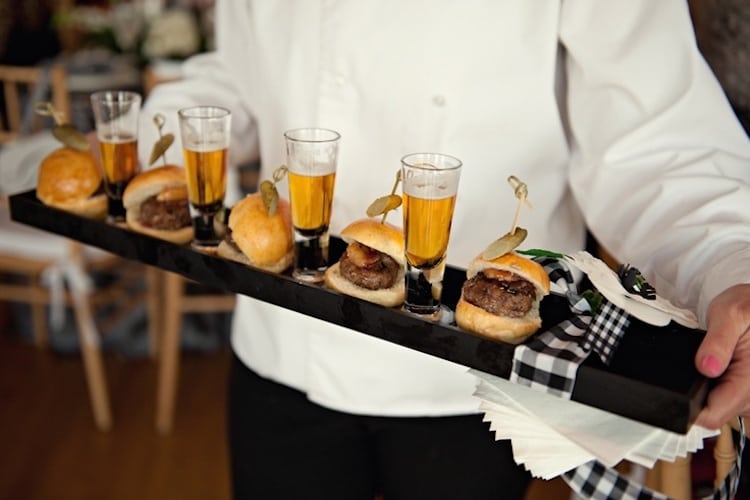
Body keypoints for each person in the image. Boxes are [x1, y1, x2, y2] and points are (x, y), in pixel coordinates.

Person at [138, 1, 750, 498]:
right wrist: (154, 138)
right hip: (284, 337)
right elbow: (241, 74)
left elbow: (653, 138)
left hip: (471, 373)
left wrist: (730, 265)